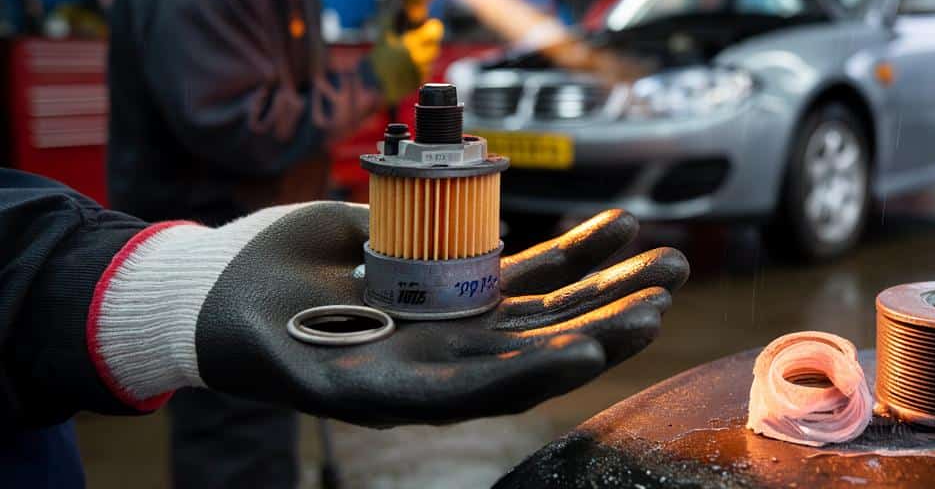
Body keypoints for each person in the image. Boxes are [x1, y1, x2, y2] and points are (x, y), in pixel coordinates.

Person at [105, 0, 441, 486]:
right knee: (237, 446)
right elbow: (249, 131)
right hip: (208, 267)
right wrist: (375, 77)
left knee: (266, 428)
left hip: (257, 251)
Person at [0, 168, 688, 486]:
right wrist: (178, 284)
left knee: (261, 426)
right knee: (231, 437)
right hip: (199, 204)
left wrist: (150, 279)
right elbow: (232, 126)